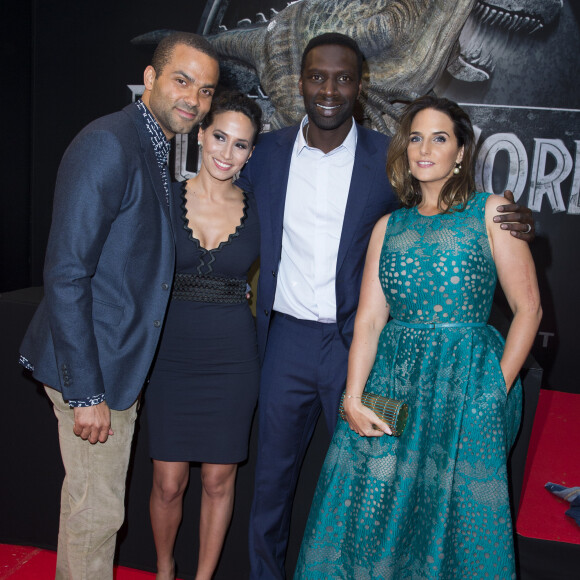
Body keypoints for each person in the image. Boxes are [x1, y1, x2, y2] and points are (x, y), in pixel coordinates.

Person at [235, 32, 535, 579]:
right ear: (298, 82)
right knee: (273, 487)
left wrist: (519, 220)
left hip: (365, 349)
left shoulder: (384, 159)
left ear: (359, 84)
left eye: (343, 77)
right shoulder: (267, 155)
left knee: (381, 495)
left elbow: (454, 215)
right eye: (317, 77)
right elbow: (217, 194)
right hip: (292, 342)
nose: (329, 89)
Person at [294, 95, 542, 579]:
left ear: (461, 152)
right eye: (415, 137)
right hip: (394, 383)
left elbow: (528, 308)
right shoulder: (389, 226)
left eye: (440, 137)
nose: (424, 148)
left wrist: (496, 389)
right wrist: (351, 397)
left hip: (466, 383)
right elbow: (368, 319)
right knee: (367, 512)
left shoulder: (491, 212)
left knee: (455, 519)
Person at [18, 32, 219, 579]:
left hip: (111, 362)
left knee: (95, 505)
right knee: (97, 511)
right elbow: (65, 272)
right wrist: (86, 390)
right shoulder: (109, 142)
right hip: (91, 367)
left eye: (205, 91)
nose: (193, 100)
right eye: (182, 81)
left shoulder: (154, 145)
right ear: (150, 80)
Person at [145, 90, 262, 580]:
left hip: (234, 357)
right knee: (168, 482)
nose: (225, 152)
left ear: (251, 153)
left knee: (219, 480)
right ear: (200, 134)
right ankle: (166, 568)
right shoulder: (166, 193)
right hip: (171, 352)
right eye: (219, 136)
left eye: (240, 145)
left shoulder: (261, 208)